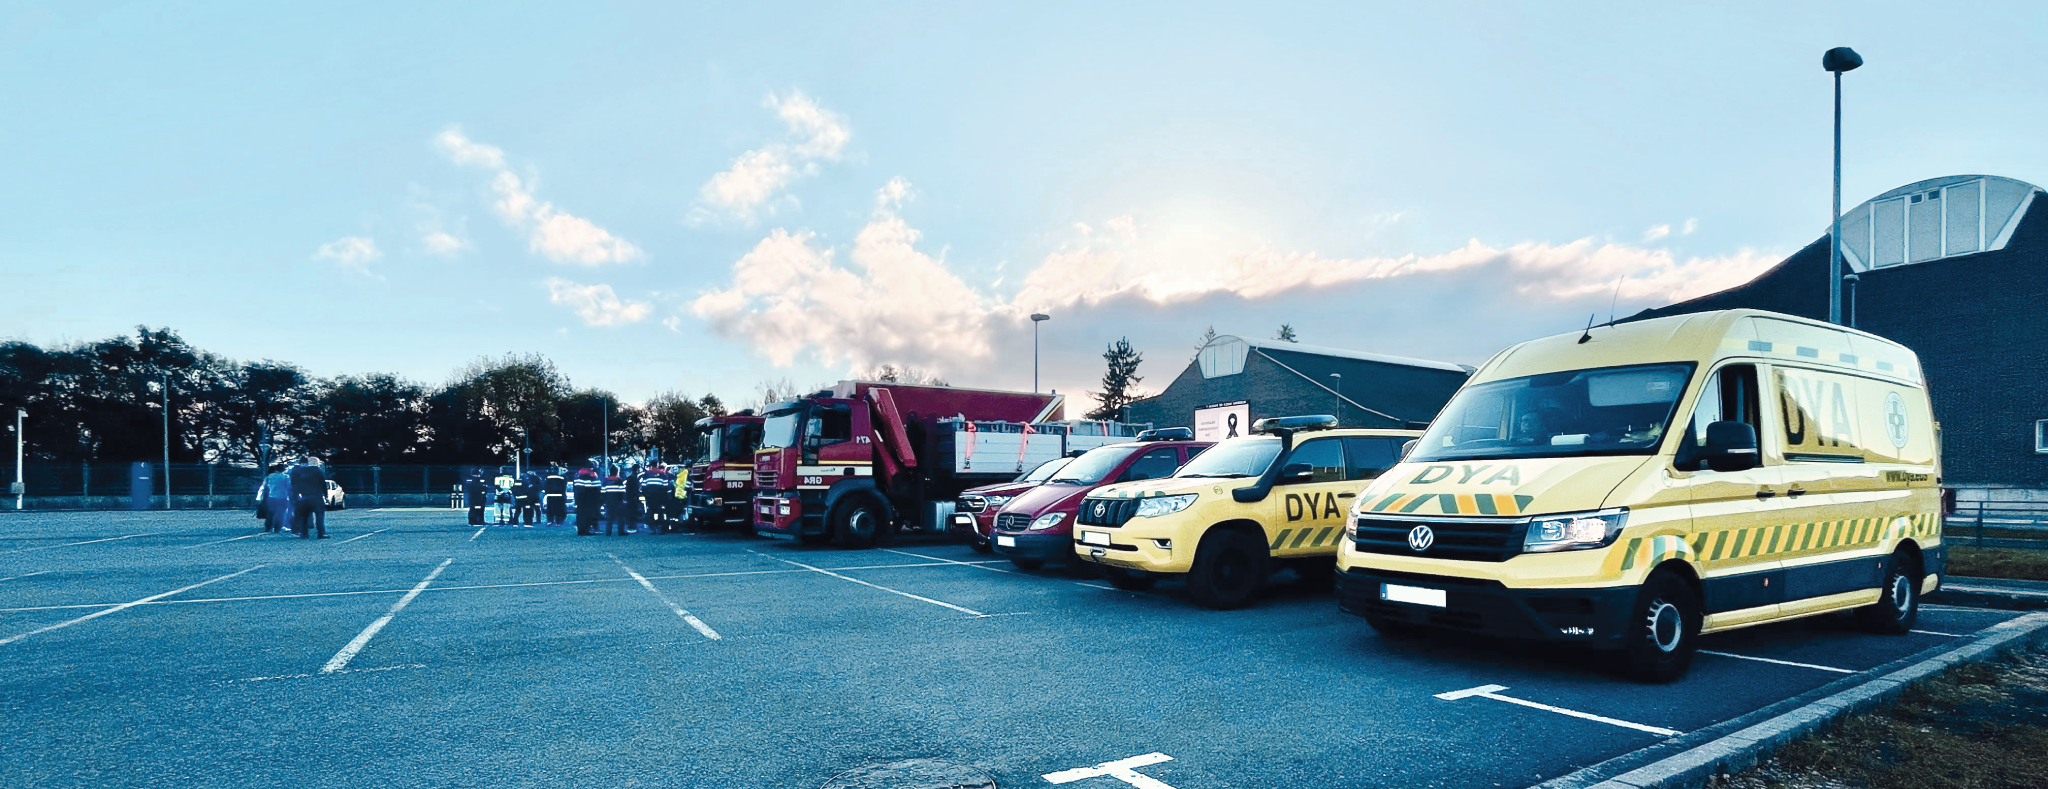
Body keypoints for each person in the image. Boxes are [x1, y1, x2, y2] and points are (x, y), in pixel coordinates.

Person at [288, 461, 328, 539]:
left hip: (303, 497)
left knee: (303, 516)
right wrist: (325, 495)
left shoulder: (298, 471)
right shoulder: (318, 471)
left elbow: (294, 485)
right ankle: (321, 533)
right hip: (316, 496)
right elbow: (323, 483)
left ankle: (304, 533)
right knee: (319, 515)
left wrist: (295, 497)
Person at [261, 464, 293, 534]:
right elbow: (289, 487)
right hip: (283, 497)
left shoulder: (269, 476)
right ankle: (278, 527)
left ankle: (268, 527)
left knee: (270, 513)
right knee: (281, 513)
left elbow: (265, 486)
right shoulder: (286, 477)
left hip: (271, 496)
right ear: (283, 469)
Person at [643, 468, 675, 533]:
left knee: (651, 512)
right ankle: (661, 528)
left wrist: (646, 495)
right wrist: (668, 496)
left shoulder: (647, 474)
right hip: (660, 497)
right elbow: (666, 486)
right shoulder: (662, 474)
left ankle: (653, 528)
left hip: (650, 497)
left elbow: (643, 486)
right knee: (660, 512)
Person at [572, 469, 602, 535]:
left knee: (580, 514)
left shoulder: (577, 479)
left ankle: (580, 530)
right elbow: (598, 491)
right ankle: (587, 529)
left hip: (580, 500)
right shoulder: (594, 478)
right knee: (589, 515)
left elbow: (575, 490)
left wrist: (576, 500)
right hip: (590, 500)